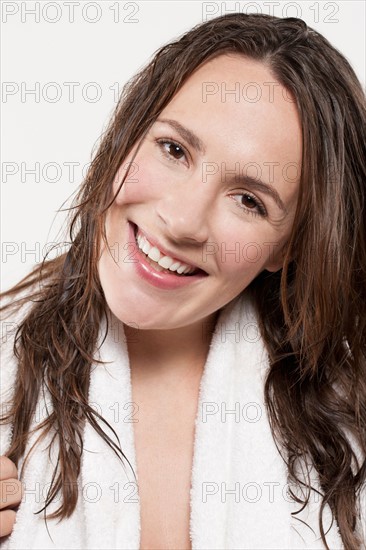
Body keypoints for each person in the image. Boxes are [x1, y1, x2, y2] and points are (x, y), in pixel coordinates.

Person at [0, 12, 365, 550]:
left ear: (285, 248)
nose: (183, 221)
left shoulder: (348, 429)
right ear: (129, 134)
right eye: (174, 150)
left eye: (249, 200)